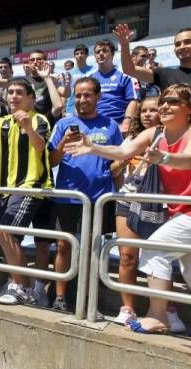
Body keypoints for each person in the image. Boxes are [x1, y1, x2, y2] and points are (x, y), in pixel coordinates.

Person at [64, 84, 191, 333]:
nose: (165, 106)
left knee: (154, 252)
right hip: (180, 213)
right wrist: (93, 148)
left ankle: (158, 317)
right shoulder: (155, 133)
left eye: (173, 102)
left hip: (188, 214)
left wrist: (164, 158)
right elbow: (123, 151)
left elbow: (188, 160)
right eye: (163, 101)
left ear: (188, 109)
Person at [110, 96, 186, 330]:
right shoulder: (135, 139)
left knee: (162, 254)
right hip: (132, 199)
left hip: (163, 205)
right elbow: (113, 166)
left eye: (154, 109)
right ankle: (130, 308)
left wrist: (161, 157)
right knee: (129, 256)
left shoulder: (177, 136)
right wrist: (126, 160)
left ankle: (166, 310)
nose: (148, 114)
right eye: (144, 110)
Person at [48, 77, 123, 311]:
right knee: (63, 246)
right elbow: (50, 161)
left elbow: (118, 157)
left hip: (99, 199)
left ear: (98, 97)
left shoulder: (111, 125)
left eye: (87, 95)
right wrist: (62, 145)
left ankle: (89, 299)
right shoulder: (63, 125)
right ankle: (60, 298)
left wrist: (114, 174)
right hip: (68, 197)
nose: (82, 99)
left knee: (93, 250)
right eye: (78, 95)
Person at [0, 78, 53, 306]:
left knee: (6, 232)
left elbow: (41, 147)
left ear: (31, 97)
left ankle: (21, 286)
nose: (14, 96)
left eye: (19, 92)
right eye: (10, 92)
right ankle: (21, 284)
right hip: (5, 189)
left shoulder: (39, 119)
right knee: (6, 234)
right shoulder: (2, 123)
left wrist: (28, 127)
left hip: (31, 186)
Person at [115, 24, 191, 91]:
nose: (182, 47)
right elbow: (129, 70)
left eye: (187, 42)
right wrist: (124, 45)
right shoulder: (165, 74)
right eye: (177, 44)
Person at [89, 39, 138, 132]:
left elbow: (133, 101)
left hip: (118, 124)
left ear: (112, 54)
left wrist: (127, 122)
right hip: (94, 124)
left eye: (105, 51)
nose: (101, 54)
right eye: (98, 52)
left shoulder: (125, 76)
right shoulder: (90, 78)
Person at [63, 44, 95, 117]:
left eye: (82, 53)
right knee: (73, 129)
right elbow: (66, 93)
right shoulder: (69, 73)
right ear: (74, 56)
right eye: (77, 54)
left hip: (89, 107)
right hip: (71, 109)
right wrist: (64, 109)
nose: (79, 55)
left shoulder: (94, 70)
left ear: (87, 55)